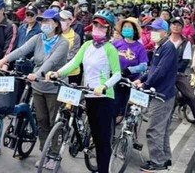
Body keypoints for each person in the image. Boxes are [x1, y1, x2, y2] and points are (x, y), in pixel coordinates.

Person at [0, 9, 69, 170]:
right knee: (41, 121)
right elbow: (21, 50)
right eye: (43, 22)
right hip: (37, 86)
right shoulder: (38, 38)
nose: (44, 24)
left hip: (54, 87)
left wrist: (37, 73)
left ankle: (54, 154)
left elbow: (51, 62)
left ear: (56, 24)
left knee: (54, 122)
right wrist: (2, 61)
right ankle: (44, 152)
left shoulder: (63, 42)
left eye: (48, 22)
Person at [48, 10, 122, 173]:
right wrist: (58, 73)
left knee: (102, 140)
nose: (97, 28)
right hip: (88, 94)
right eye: (95, 24)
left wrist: (104, 86)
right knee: (94, 134)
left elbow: (117, 74)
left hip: (104, 97)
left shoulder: (110, 49)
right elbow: (74, 62)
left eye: (101, 26)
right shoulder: (87, 45)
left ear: (108, 30)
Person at [133, 18, 177, 172]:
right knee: (162, 130)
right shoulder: (160, 47)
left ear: (166, 32)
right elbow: (152, 68)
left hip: (162, 95)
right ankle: (165, 159)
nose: (153, 33)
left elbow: (160, 71)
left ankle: (157, 162)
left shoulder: (168, 48)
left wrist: (146, 84)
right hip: (160, 93)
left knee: (154, 130)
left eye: (157, 30)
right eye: (152, 30)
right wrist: (140, 79)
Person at [169, 17, 195, 132]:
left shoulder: (186, 43)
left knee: (191, 96)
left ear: (182, 27)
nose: (176, 27)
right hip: (162, 73)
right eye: (174, 24)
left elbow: (185, 61)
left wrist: (172, 71)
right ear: (170, 26)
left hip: (177, 74)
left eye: (178, 25)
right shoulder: (164, 40)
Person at [112, 17, 148, 124]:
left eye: (129, 27)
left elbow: (144, 65)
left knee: (130, 110)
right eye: (124, 27)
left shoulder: (140, 47)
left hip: (132, 81)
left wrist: (129, 70)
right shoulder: (116, 43)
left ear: (135, 30)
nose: (126, 29)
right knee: (115, 106)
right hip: (117, 79)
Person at [59, 10, 82, 85]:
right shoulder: (55, 34)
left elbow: (73, 54)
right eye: (60, 19)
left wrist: (58, 60)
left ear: (70, 21)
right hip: (57, 71)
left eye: (63, 20)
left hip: (72, 72)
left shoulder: (76, 37)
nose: (61, 22)